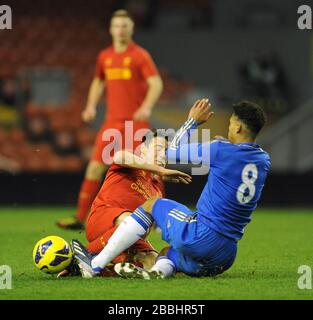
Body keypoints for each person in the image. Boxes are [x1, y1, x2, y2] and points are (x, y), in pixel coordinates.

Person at [72, 99, 271, 279]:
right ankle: (157, 273)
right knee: (168, 253)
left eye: (230, 124)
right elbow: (119, 157)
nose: (228, 128)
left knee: (151, 205)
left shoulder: (219, 151)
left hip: (202, 236)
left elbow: (173, 151)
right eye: (156, 148)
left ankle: (95, 264)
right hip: (226, 255)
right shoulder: (263, 160)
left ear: (237, 128)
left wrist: (192, 122)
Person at [57, 9, 163, 230]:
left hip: (136, 124)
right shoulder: (105, 56)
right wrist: (90, 106)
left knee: (149, 170)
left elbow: (156, 83)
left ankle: (159, 219)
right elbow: (98, 82)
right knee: (94, 168)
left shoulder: (139, 55)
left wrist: (146, 107)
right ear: (111, 29)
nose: (121, 29)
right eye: (117, 25)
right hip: (112, 123)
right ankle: (79, 218)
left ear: (131, 29)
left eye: (125, 25)